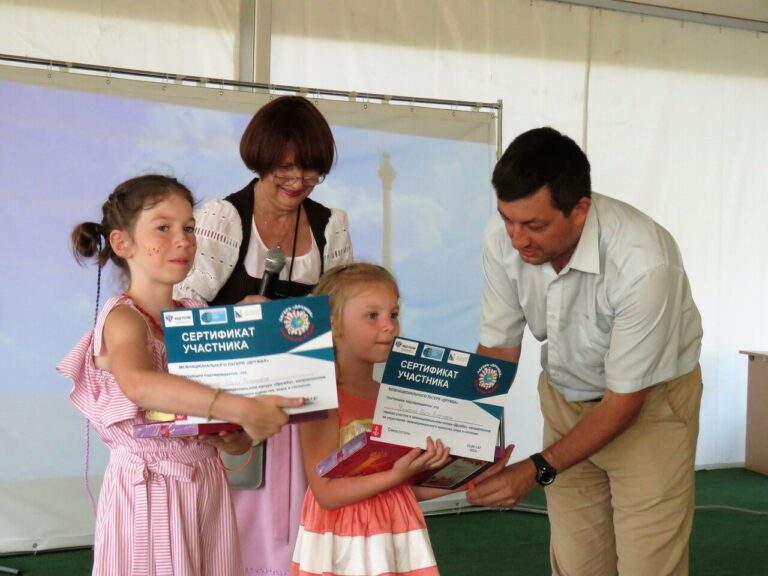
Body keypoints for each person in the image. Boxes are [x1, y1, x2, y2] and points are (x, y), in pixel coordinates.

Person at [468, 127, 703, 576]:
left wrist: (535, 469)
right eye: (507, 219)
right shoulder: (502, 237)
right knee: (578, 566)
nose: (516, 239)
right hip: (565, 402)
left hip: (650, 411)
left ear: (580, 210)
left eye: (534, 226)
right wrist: (464, 436)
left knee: (648, 566)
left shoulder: (645, 262)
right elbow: (497, 349)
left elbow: (623, 403)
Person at [57, 174, 302, 576]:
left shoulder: (194, 315)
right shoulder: (123, 318)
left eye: (188, 228)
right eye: (163, 228)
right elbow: (139, 385)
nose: (183, 240)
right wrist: (237, 407)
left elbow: (232, 437)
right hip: (149, 491)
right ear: (121, 243)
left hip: (206, 486)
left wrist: (234, 434)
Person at [173, 95, 353, 575]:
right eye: (285, 168)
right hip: (234, 410)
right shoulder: (224, 217)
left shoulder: (330, 226)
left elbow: (343, 312)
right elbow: (182, 312)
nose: (298, 181)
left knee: (301, 537)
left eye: (311, 170)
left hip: (304, 411)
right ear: (260, 158)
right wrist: (239, 316)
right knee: (235, 536)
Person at [291, 263, 511, 576]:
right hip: (344, 548)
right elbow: (325, 494)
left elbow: (403, 489)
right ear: (332, 324)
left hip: (397, 537)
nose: (389, 326)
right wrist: (397, 475)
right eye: (373, 315)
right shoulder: (322, 399)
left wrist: (467, 477)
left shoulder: (393, 396)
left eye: (393, 314)